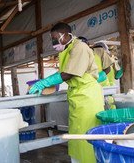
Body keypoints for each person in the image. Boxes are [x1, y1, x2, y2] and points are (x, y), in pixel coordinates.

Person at [29, 23, 104, 163]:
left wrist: (45, 82)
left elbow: (68, 73)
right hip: (77, 95)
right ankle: (77, 160)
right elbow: (63, 72)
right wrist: (48, 81)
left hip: (87, 96)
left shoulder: (80, 47)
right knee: (76, 134)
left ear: (65, 35)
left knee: (86, 135)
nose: (53, 42)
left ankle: (88, 160)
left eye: (54, 38)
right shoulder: (68, 50)